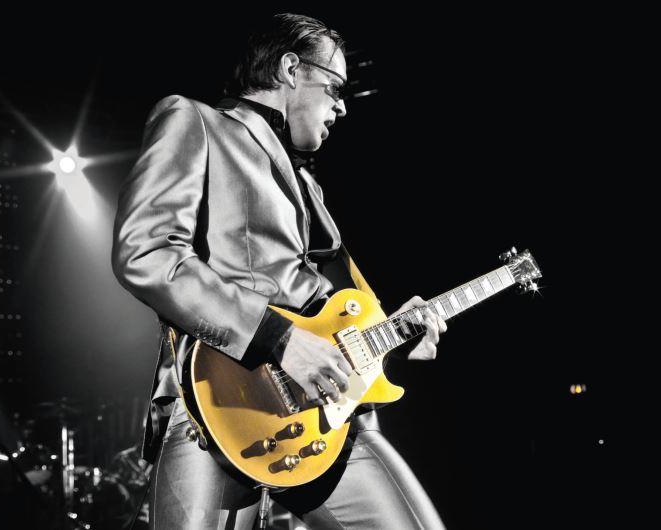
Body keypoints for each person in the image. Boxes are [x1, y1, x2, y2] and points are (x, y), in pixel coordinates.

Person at [112, 13, 447, 530]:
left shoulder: (307, 184)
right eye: (335, 87)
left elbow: (338, 299)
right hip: (218, 407)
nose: (341, 106)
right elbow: (147, 251)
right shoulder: (195, 121)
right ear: (291, 69)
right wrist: (279, 338)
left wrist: (395, 325)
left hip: (328, 415)